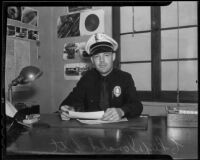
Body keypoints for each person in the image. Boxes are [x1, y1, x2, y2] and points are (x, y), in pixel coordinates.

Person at [59, 33, 143, 121]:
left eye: (106, 55)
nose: (101, 60)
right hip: (92, 131)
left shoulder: (125, 78)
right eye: (97, 56)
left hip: (118, 130)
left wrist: (121, 111)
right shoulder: (87, 78)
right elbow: (68, 103)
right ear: (92, 60)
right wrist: (70, 110)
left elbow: (137, 105)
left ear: (113, 57)